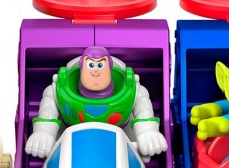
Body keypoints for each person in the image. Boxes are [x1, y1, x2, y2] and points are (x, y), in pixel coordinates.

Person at [25, 46, 168, 160]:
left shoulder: (134, 91)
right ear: (82, 66)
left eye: (100, 65)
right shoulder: (57, 90)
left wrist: (147, 132)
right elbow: (48, 110)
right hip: (71, 143)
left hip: (122, 143)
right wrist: (44, 132)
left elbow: (143, 109)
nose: (95, 70)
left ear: (109, 66)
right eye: (90, 64)